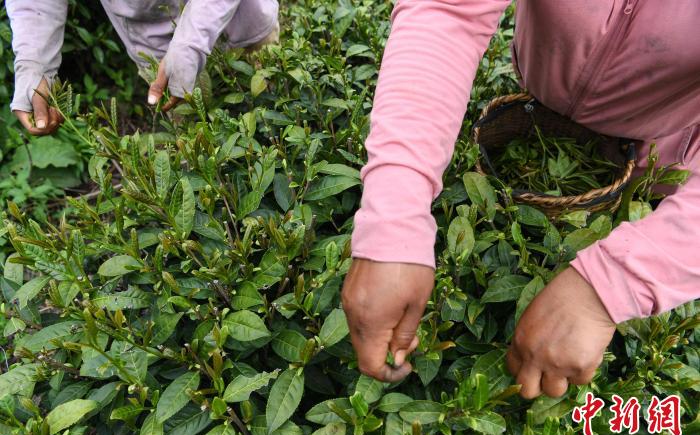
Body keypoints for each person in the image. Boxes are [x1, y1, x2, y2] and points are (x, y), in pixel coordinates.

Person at [342, 0, 700, 398]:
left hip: (660, 157)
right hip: (540, 100)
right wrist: (394, 215)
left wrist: (617, 282)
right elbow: (450, 12)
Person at [7, 0, 279, 135]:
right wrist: (34, 64)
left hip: (241, 25)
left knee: (272, 123)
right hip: (156, 48)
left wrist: (190, 44)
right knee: (200, 149)